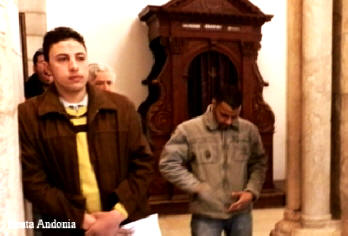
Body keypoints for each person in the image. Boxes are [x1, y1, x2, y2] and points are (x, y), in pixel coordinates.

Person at [18, 26, 154, 236]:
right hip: (66, 226)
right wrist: (84, 221)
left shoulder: (122, 107)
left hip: (124, 223)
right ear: (47, 67)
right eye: (62, 59)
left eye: (80, 57)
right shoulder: (29, 114)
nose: (73, 66)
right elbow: (34, 181)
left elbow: (143, 165)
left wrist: (116, 215)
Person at [159, 85, 268, 236]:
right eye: (224, 115)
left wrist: (252, 191)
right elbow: (168, 164)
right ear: (214, 103)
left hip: (241, 214)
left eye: (234, 116)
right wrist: (196, 186)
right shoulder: (188, 130)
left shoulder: (249, 130)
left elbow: (259, 163)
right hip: (206, 214)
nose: (229, 121)